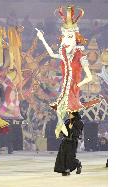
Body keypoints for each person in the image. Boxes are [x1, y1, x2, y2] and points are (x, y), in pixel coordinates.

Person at [36, 5, 103, 138]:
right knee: (60, 110)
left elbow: (89, 77)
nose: (66, 40)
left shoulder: (80, 56)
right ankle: (61, 127)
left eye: (70, 36)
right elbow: (51, 53)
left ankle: (68, 131)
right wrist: (42, 38)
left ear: (76, 38)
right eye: (64, 36)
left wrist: (77, 85)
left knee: (70, 112)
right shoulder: (63, 54)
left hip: (73, 89)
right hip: (65, 87)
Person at [54, 112, 83, 176]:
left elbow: (78, 133)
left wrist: (72, 127)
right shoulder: (67, 121)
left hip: (72, 142)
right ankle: (65, 170)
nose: (69, 114)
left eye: (71, 114)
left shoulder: (79, 122)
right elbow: (63, 131)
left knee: (70, 156)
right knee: (62, 156)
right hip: (65, 141)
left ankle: (77, 164)